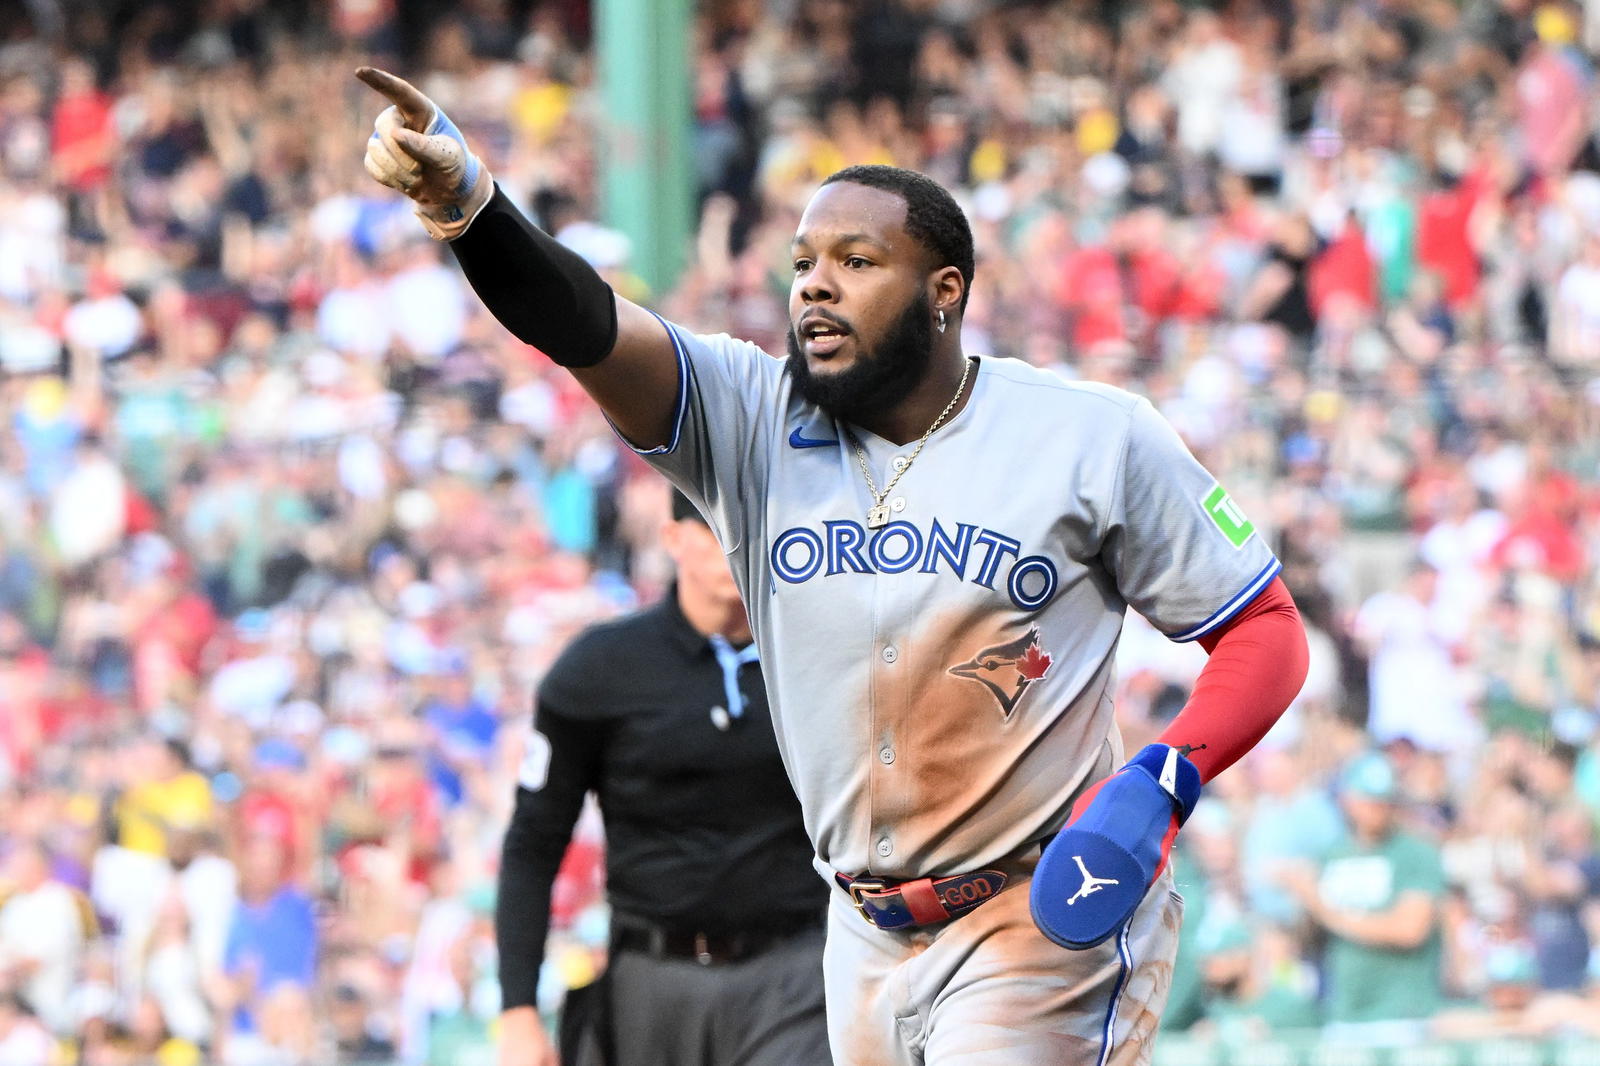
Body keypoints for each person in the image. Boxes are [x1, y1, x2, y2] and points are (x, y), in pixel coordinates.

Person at [359, 68, 1309, 1065]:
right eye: (804, 259)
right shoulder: (749, 415)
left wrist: (1163, 776)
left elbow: (1263, 627)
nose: (813, 281)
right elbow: (584, 324)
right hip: (856, 930)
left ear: (944, 293)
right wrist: (474, 209)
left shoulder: (1088, 434)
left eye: (856, 260)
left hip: (1037, 913)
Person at [495, 489, 829, 1066]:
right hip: (651, 977)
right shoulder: (600, 671)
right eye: (714, 529)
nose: (735, 545)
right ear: (673, 540)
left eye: (749, 527)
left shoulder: (825, 658)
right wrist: (518, 1008)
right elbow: (533, 842)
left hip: (796, 971)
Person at [1282, 752, 1446, 1037]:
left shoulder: (1416, 853)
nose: (1377, 809)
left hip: (1401, 1015)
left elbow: (1410, 930)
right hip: (1343, 1013)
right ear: (1348, 800)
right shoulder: (1332, 854)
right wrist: (1302, 901)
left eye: (1385, 801)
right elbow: (1308, 939)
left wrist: (1325, 910)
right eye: (1369, 800)